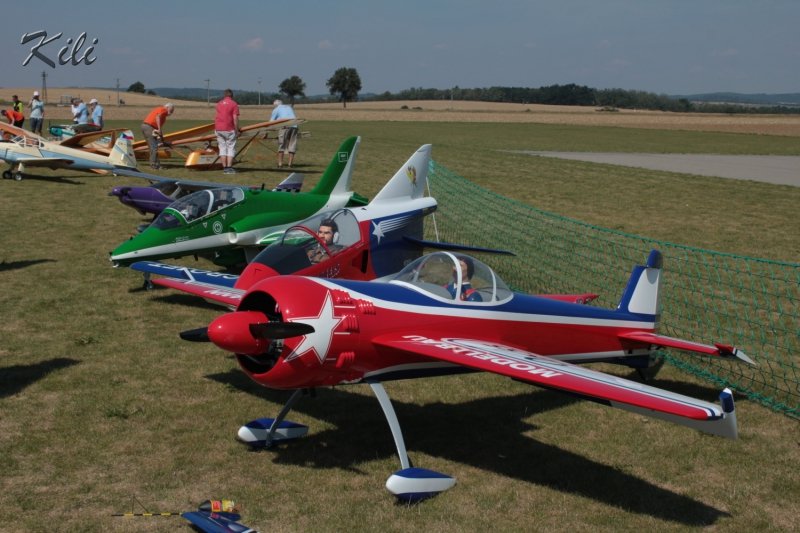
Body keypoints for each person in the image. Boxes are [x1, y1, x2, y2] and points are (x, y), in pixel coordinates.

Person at [141, 102, 175, 169]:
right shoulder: (163, 109)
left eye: (172, 111)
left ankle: (156, 164)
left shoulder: (163, 116)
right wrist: (159, 129)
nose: (171, 113)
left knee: (152, 147)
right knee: (154, 147)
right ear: (167, 107)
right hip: (149, 127)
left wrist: (162, 140)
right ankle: (154, 165)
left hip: (145, 126)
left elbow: (159, 130)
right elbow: (157, 117)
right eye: (171, 110)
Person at [214, 89, 240, 174]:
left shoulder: (219, 103)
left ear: (224, 95)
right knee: (230, 148)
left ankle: (224, 167)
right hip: (229, 129)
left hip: (218, 128)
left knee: (222, 148)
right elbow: (235, 118)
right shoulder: (234, 104)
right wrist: (237, 130)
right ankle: (229, 167)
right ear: (232, 96)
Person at [270, 99, 299, 168]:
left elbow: (270, 123)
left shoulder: (276, 109)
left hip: (285, 126)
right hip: (295, 126)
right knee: (292, 145)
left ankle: (280, 164)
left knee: (281, 145)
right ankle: (290, 164)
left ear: (275, 105)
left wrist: (265, 133)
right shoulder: (289, 107)